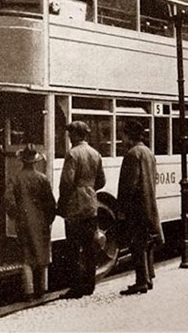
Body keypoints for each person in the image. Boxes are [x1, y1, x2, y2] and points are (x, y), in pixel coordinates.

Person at [57, 121, 106, 299]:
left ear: (77, 135)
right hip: (91, 204)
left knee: (73, 247)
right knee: (89, 246)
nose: (69, 138)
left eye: (71, 134)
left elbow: (66, 182)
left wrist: (62, 203)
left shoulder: (73, 154)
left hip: (75, 205)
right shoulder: (95, 153)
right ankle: (89, 285)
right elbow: (102, 181)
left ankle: (76, 287)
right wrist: (89, 189)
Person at [4, 144, 56, 301]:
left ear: (22, 161)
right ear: (35, 161)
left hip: (24, 221)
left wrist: (16, 215)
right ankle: (43, 289)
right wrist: (49, 219)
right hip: (41, 221)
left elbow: (8, 200)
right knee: (43, 253)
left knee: (26, 256)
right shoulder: (42, 179)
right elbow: (50, 203)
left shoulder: (15, 178)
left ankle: (29, 292)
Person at [117, 120, 164, 295]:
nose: (121, 139)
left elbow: (129, 184)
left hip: (135, 206)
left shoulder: (132, 154)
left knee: (137, 244)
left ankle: (141, 281)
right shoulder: (148, 152)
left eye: (123, 135)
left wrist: (122, 207)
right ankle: (149, 277)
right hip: (148, 202)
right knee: (146, 243)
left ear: (129, 135)